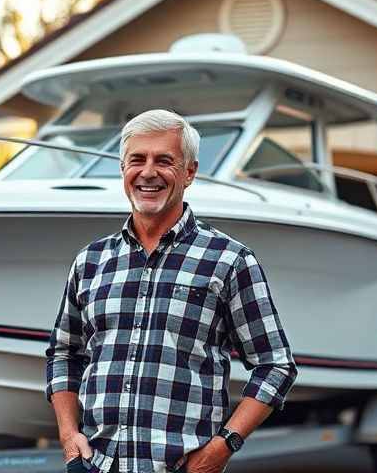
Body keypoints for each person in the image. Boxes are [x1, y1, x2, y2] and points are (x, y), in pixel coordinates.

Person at [46, 109, 297, 473]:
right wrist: (69, 437)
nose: (148, 172)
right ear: (122, 169)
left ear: (189, 172)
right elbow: (64, 353)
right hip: (98, 465)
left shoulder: (229, 260)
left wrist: (224, 446)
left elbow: (275, 365)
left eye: (164, 161)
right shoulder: (91, 261)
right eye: (137, 160)